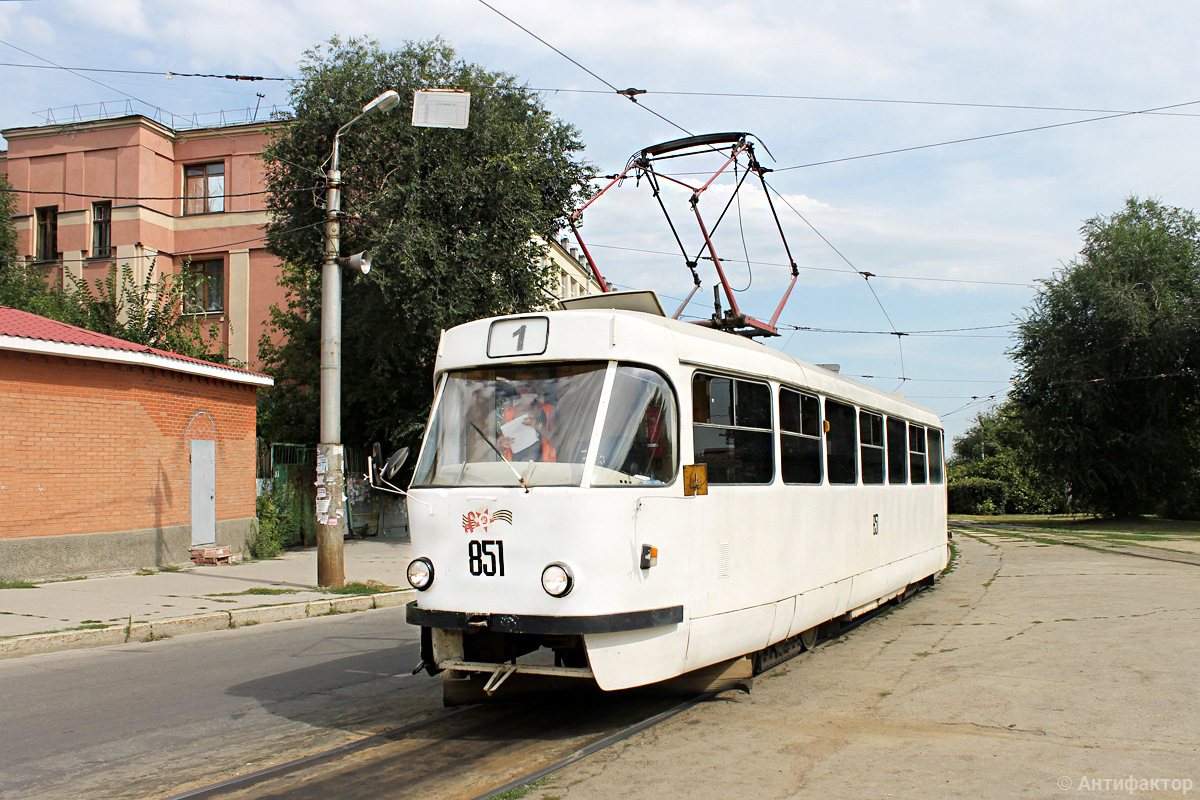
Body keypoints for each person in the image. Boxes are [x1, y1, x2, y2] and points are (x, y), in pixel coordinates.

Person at [497, 381, 556, 462]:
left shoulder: (549, 410)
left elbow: (556, 442)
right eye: (520, 384)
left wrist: (538, 426)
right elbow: (500, 448)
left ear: (536, 385)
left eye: (528, 384)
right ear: (517, 388)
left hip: (543, 467)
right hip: (515, 467)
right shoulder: (508, 413)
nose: (524, 388)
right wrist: (501, 443)